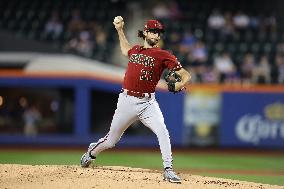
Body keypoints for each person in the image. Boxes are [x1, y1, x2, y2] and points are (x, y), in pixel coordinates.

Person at [80, 16, 191, 184]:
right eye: (153, 31)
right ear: (145, 32)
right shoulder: (136, 50)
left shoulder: (163, 55)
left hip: (148, 103)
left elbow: (186, 75)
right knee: (111, 141)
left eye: (158, 32)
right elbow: (125, 50)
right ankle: (91, 152)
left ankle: (168, 169)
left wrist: (179, 85)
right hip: (126, 100)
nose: (156, 35)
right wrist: (119, 30)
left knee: (163, 131)